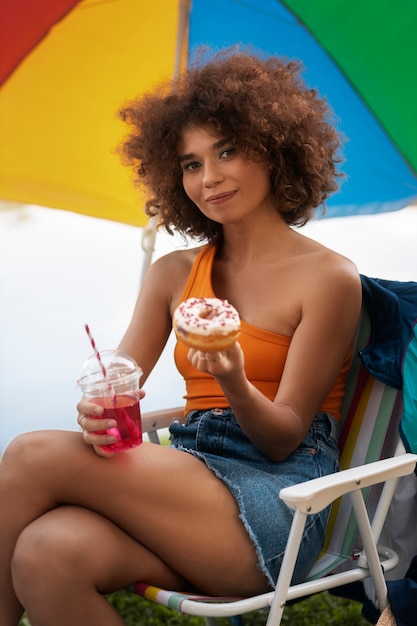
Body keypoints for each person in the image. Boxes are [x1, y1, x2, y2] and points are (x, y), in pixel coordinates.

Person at [0, 49, 362, 626]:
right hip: (189, 475)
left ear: (274, 149)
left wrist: (232, 378)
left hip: (275, 507)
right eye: (190, 164)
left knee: (29, 454)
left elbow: (283, 439)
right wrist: (99, 409)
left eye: (227, 151)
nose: (209, 177)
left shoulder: (330, 279)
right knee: (47, 553)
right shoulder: (174, 273)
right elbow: (118, 377)